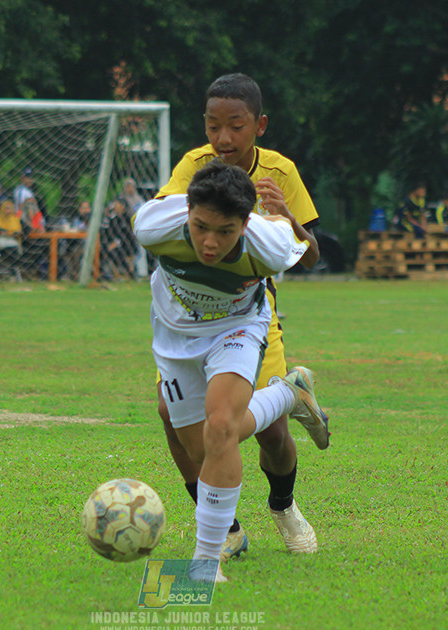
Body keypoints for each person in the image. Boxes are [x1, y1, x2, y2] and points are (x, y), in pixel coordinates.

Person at [153, 72, 323, 563]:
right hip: (189, 315)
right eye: (212, 126)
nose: (222, 139)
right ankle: (225, 529)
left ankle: (285, 507)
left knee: (268, 434)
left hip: (249, 314)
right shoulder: (194, 166)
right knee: (172, 415)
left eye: (236, 126)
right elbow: (167, 218)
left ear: (259, 126)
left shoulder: (280, 172)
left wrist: (286, 218)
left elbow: (310, 257)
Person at [133, 161, 330, 582]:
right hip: (175, 341)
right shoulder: (152, 225)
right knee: (203, 450)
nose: (209, 242)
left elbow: (307, 250)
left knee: (220, 428)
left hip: (237, 327)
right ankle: (288, 394)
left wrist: (284, 216)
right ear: (186, 211)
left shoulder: (271, 244)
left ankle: (206, 565)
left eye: (225, 232)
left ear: (246, 224)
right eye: (201, 226)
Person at [13, 167, 45, 232]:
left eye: (31, 178)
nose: (29, 180)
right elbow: (20, 209)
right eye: (27, 177)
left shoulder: (28, 190)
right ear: (22, 178)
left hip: (33, 222)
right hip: (25, 223)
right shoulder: (20, 191)